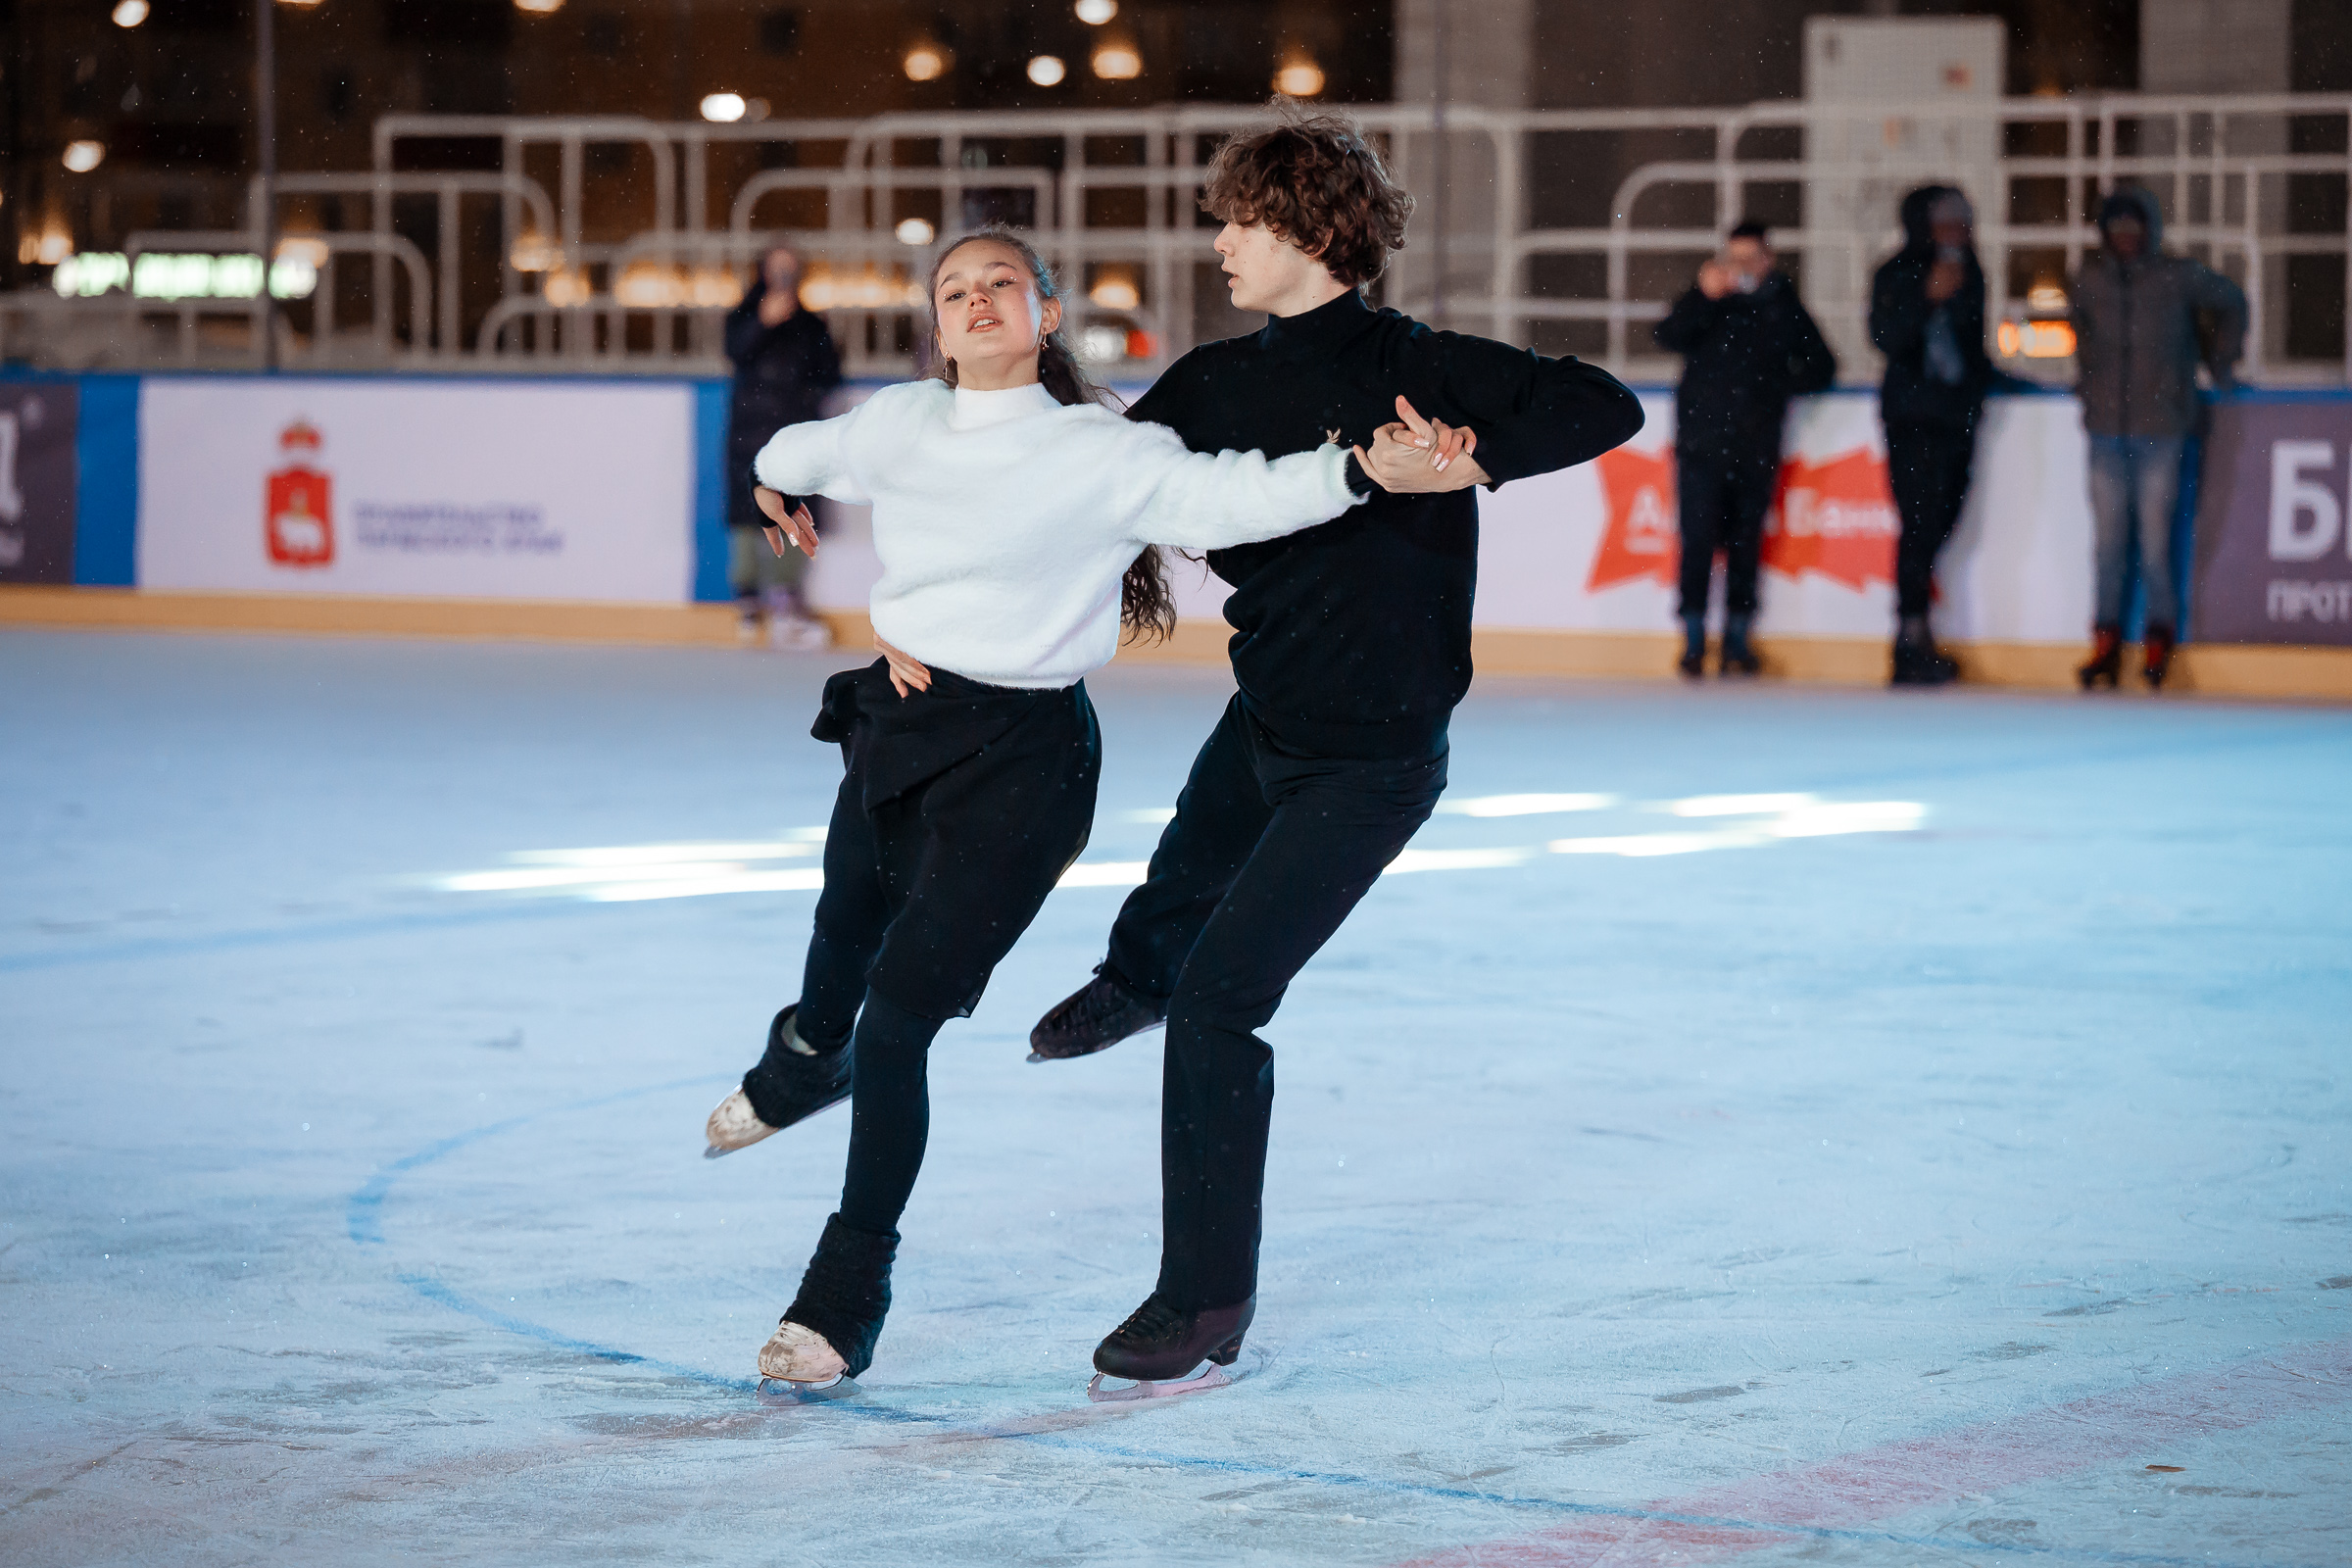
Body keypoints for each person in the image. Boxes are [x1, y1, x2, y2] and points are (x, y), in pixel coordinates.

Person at [695, 226, 1456, 1391]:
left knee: (898, 1019)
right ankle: (803, 1060)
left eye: (1004, 282)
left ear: (1047, 314)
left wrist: (1362, 470)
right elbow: (800, 444)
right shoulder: (900, 425)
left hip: (1026, 766)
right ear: (938, 331)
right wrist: (768, 480)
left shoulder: (1099, 451)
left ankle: (842, 1297)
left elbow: (1237, 495)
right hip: (902, 726)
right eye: (956, 291)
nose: (979, 300)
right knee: (841, 927)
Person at [1015, 103, 1644, 1396]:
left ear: (1308, 225)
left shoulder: (1426, 368)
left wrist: (1476, 463)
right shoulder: (1215, 381)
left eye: (1241, 221)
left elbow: (1608, 405)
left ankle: (1202, 1305)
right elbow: (1103, 474)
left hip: (1374, 762)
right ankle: (1136, 976)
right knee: (1177, 889)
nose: (1223, 245)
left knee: (1222, 1004)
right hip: (1267, 724)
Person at [2069, 187, 2246, 690]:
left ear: (2149, 230)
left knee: (2153, 543)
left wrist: (2220, 360)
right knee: (2107, 544)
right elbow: (2079, 330)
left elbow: (2232, 301)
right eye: (2117, 230)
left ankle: (2157, 637)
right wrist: (2086, 378)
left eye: (2134, 229)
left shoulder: (2176, 277)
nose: (2126, 239)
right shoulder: (2090, 281)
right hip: (2105, 425)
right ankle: (2104, 641)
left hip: (2162, 428)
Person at [1652, 219, 1837, 678]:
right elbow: (1667, 335)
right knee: (1696, 539)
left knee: (1745, 542)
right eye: (1734, 259)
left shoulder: (1781, 305)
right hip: (1701, 444)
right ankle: (1693, 640)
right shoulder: (1710, 301)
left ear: (1767, 260)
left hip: (1754, 445)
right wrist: (1702, 296)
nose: (1742, 269)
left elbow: (1822, 366)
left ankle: (1737, 638)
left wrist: (1772, 387)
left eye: (1750, 259)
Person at [1870, 186, 1994, 687]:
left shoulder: (1972, 273)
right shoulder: (1896, 273)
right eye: (1947, 223)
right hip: (1913, 417)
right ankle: (1908, 636)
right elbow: (1885, 338)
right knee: (1918, 525)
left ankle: (1916, 631)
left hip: (1955, 415)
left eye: (1963, 223)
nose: (1957, 233)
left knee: (1943, 519)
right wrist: (1925, 300)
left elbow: (1973, 344)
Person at [724, 245, 842, 650]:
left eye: (790, 269)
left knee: (793, 505)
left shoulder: (811, 324)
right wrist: (762, 323)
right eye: (776, 269)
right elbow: (735, 351)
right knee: (745, 509)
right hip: (749, 430)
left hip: (793, 429)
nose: (783, 277)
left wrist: (804, 396)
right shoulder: (743, 314)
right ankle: (747, 596)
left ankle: (785, 595)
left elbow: (829, 373)